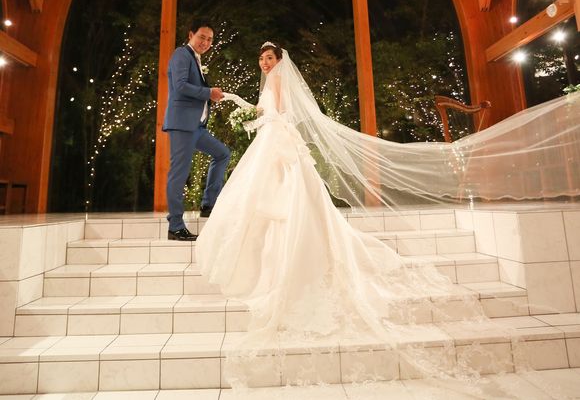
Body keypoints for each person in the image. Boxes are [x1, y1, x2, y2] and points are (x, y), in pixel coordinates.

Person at [196, 41, 580, 385]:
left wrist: (254, 118)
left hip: (278, 145)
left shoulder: (278, 80)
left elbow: (278, 115)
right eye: (262, 59)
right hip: (273, 144)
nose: (265, 63)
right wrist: (246, 110)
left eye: (269, 58)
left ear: (279, 61)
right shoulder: (269, 81)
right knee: (277, 199)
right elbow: (268, 112)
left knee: (283, 199)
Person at [162, 21, 231, 241]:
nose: (206, 42)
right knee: (179, 173)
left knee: (222, 153)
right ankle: (175, 226)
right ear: (191, 34)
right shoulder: (181, 54)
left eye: (210, 39)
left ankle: (208, 204)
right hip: (183, 124)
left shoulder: (195, 58)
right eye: (202, 37)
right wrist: (208, 92)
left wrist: (210, 96)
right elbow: (180, 86)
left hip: (197, 127)